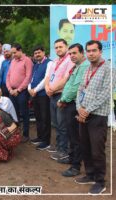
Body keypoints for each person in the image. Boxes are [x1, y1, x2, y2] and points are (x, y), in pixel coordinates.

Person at [74, 40, 111, 194]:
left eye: (94, 50)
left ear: (100, 51)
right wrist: (79, 108)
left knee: (97, 150)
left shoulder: (109, 68)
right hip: (83, 114)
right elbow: (80, 90)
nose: (90, 53)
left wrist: (86, 110)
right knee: (85, 147)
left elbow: (105, 94)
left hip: (98, 116)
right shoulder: (87, 69)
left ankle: (100, 181)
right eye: (88, 51)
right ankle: (90, 174)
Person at [57, 43, 88, 176]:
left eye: (74, 53)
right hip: (69, 104)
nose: (72, 56)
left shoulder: (85, 67)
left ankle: (75, 166)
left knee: (76, 137)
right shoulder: (77, 67)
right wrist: (63, 99)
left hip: (75, 105)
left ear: (82, 53)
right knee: (71, 134)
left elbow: (76, 88)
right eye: (70, 54)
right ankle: (71, 158)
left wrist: (63, 100)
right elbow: (69, 85)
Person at [44, 38, 74, 161]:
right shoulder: (55, 61)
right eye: (56, 47)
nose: (58, 49)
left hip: (61, 95)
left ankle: (64, 151)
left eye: (60, 47)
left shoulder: (70, 60)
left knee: (62, 125)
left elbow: (66, 79)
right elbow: (48, 77)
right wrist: (47, 88)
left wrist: (52, 89)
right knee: (56, 123)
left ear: (66, 47)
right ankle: (59, 147)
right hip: (52, 95)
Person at [6, 43, 33, 143]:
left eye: (15, 52)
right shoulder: (13, 61)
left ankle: (25, 135)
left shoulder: (27, 60)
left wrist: (18, 90)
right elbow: (8, 76)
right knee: (14, 113)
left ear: (20, 50)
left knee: (24, 113)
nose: (13, 55)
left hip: (22, 92)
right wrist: (9, 89)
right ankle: (16, 133)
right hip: (12, 91)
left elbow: (28, 77)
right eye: (12, 53)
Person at [28, 46, 53, 150]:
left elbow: (45, 80)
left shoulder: (49, 63)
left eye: (39, 52)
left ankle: (46, 141)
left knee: (45, 118)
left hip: (43, 95)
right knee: (38, 117)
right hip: (35, 95)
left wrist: (35, 90)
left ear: (43, 52)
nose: (37, 54)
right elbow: (32, 78)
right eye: (35, 53)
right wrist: (29, 88)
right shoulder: (36, 65)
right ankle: (40, 137)